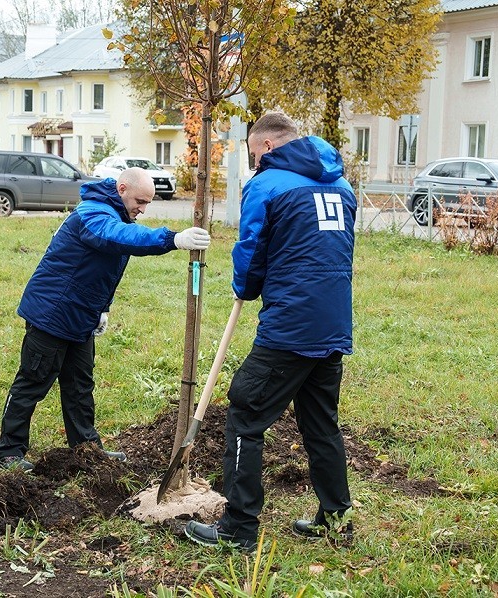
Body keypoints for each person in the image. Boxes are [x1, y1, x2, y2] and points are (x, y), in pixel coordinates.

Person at [184, 112, 357, 552]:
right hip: (332, 322)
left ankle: (237, 528)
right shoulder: (341, 184)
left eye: (253, 153)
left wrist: (245, 286)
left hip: (291, 326)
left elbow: (252, 247)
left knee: (245, 413)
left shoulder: (266, 184)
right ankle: (335, 519)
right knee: (321, 423)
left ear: (263, 147)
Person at [0, 167, 211, 471]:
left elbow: (102, 270)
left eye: (148, 203)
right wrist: (172, 239)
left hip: (81, 315)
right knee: (33, 381)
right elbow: (117, 237)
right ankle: (9, 451)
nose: (143, 209)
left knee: (80, 384)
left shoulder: (118, 214)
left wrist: (103, 308)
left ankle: (86, 449)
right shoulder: (93, 214)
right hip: (52, 313)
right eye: (140, 200)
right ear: (122, 189)